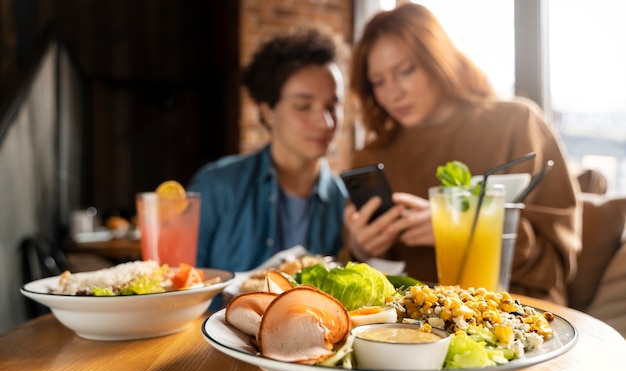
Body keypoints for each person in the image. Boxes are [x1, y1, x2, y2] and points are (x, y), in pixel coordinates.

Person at [340, 3, 581, 305]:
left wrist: (467, 225)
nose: (393, 93)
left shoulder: (517, 124)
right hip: (406, 324)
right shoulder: (371, 155)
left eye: (405, 71)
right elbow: (353, 269)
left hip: (512, 315)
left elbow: (558, 266)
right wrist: (362, 248)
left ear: (438, 59)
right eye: (378, 82)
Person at [188, 28, 347, 273]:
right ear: (267, 112)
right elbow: (180, 287)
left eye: (333, 106)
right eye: (303, 106)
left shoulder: (343, 202)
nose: (326, 122)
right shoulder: (216, 186)